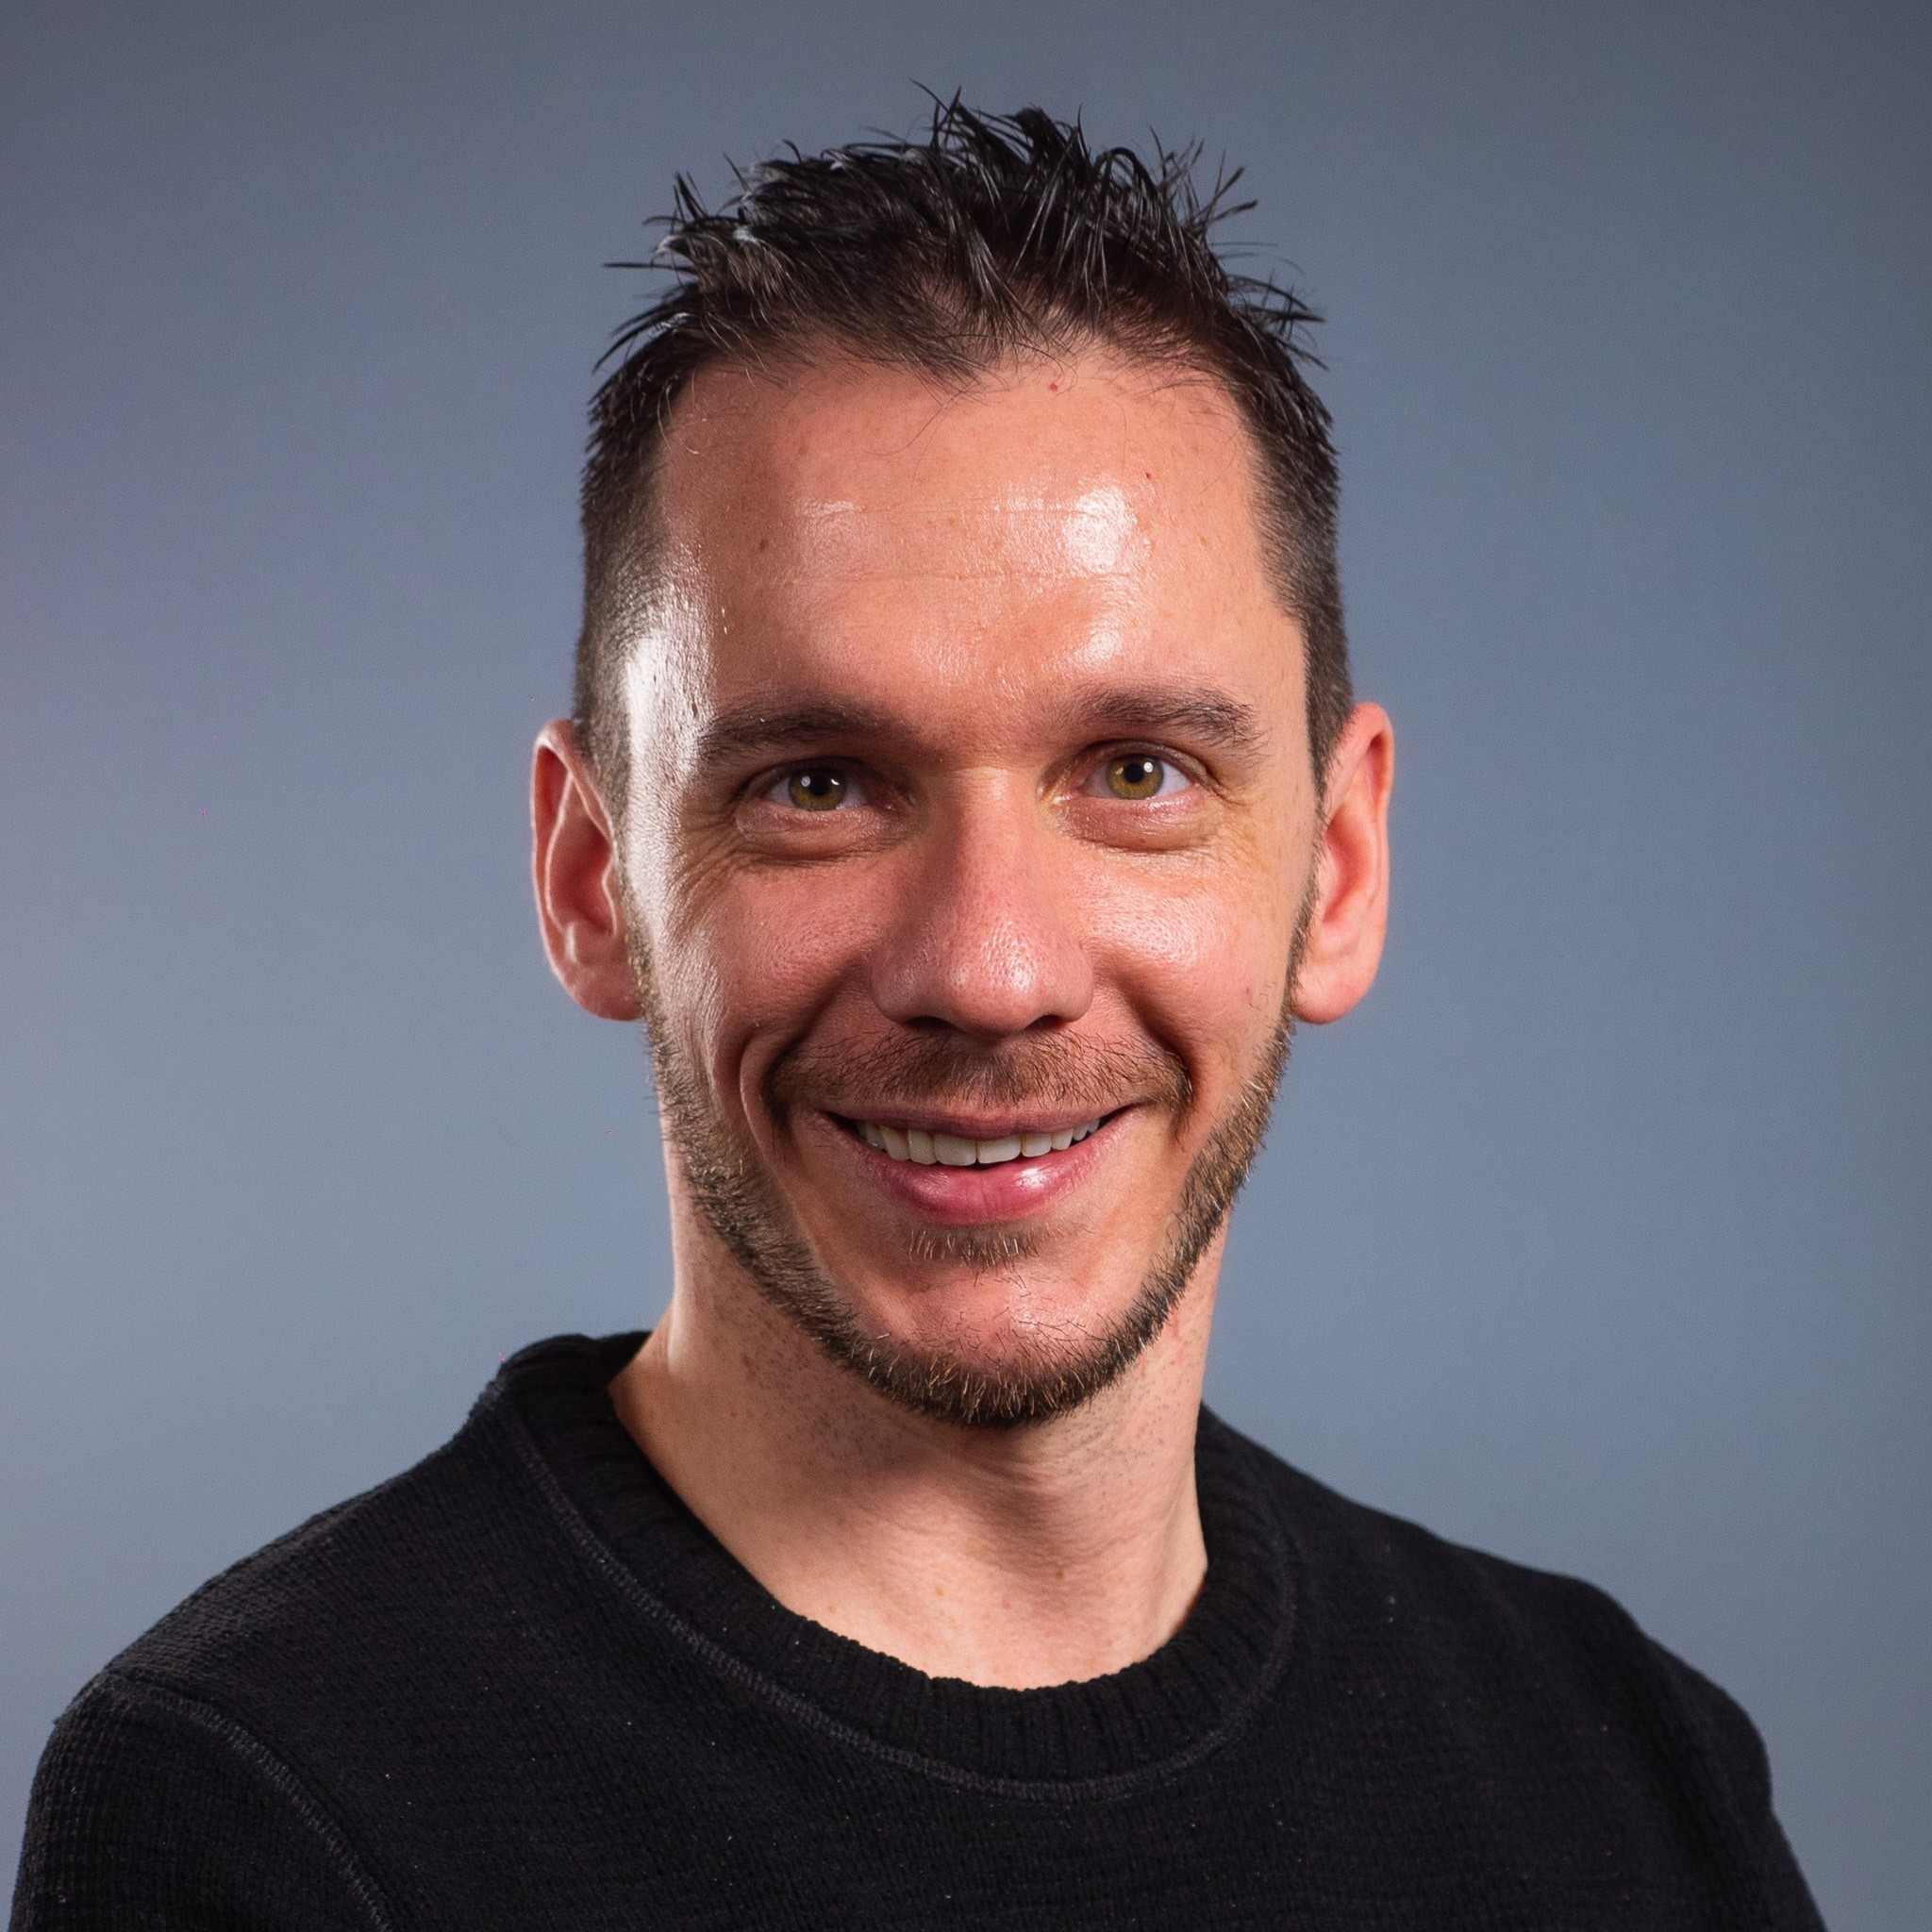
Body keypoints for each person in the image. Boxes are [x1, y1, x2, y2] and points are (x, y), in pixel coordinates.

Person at [12, 103, 1822, 1929]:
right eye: (819, 786)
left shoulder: (1628, 1779)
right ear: (593, 878)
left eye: (1135, 769)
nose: (989, 970)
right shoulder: (253, 1813)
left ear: (1338, 867)